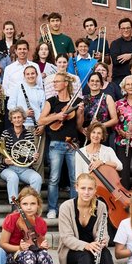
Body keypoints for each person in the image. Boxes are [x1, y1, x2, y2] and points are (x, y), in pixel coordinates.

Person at [58, 173, 126, 264]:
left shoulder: (101, 206)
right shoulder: (66, 207)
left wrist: (103, 241)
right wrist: (86, 246)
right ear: (76, 188)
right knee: (85, 255)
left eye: (90, 189)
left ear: (95, 190)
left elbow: (104, 232)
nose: (86, 192)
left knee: (106, 253)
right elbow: (66, 237)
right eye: (83, 188)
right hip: (71, 251)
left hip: (94, 249)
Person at [37, 72, 82, 219]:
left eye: (57, 81)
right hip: (56, 143)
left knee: (74, 179)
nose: (54, 84)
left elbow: (79, 125)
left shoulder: (77, 101)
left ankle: (74, 209)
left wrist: (80, 113)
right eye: (54, 82)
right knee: (54, 178)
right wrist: (56, 116)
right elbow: (41, 120)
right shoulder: (51, 101)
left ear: (66, 84)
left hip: (72, 144)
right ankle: (52, 208)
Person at [0, 108, 43, 201]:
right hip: (8, 168)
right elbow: (1, 154)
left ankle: (32, 203)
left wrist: (33, 157)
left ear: (24, 119)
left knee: (37, 178)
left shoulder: (29, 134)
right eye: (14, 118)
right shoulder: (6, 133)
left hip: (24, 169)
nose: (17, 119)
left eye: (19, 117)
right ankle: (14, 206)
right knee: (13, 177)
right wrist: (5, 160)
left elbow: (30, 153)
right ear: (11, 120)